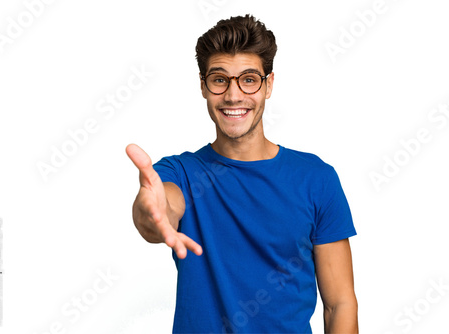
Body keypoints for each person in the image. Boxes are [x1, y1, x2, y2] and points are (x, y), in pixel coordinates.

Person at [126, 14, 358, 333]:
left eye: (248, 79)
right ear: (204, 86)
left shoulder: (316, 179)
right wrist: (152, 213)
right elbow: (162, 207)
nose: (234, 96)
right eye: (220, 79)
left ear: (268, 85)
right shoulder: (178, 172)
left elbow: (339, 303)